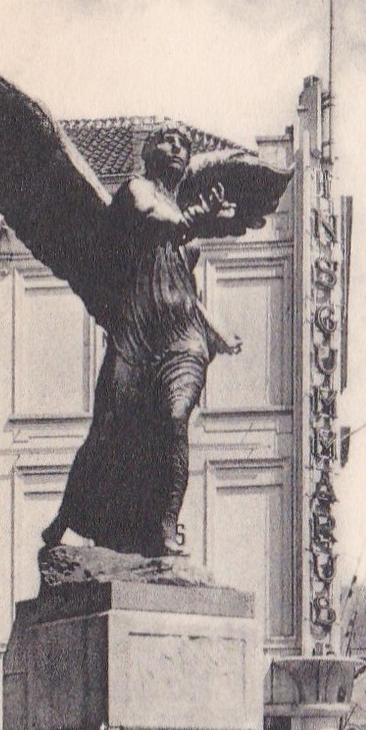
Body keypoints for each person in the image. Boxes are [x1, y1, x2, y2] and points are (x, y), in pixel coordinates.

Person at [40, 127, 242, 557]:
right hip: (134, 333)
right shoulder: (136, 191)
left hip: (182, 337)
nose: (177, 149)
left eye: (184, 145)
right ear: (149, 152)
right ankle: (66, 516)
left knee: (174, 421)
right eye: (167, 141)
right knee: (106, 434)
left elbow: (183, 284)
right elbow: (152, 217)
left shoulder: (183, 214)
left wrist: (215, 328)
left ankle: (166, 527)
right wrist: (191, 221)